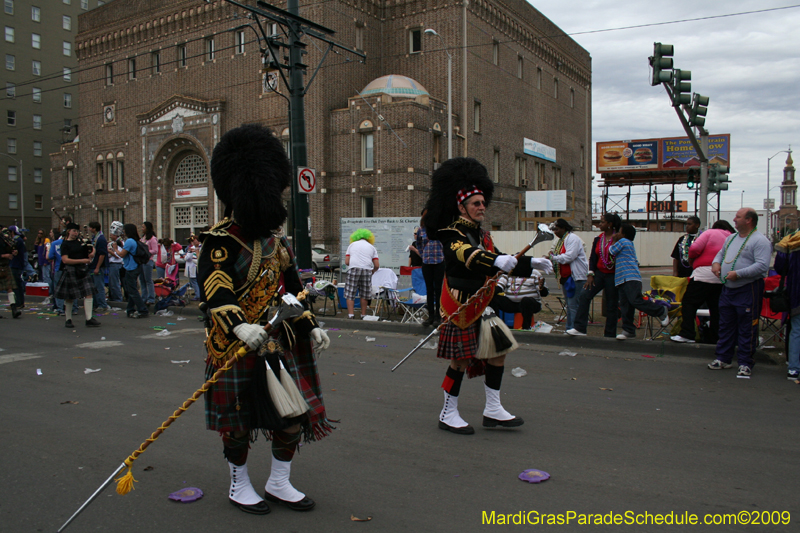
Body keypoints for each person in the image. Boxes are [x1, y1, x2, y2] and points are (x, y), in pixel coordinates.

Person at [199, 124, 331, 515]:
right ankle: (239, 484)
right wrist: (239, 325)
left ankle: (279, 481)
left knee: (292, 417)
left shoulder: (279, 244)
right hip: (233, 346)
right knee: (237, 424)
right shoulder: (220, 242)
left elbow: (291, 292)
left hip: (274, 344)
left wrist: (311, 324)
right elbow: (216, 290)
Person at [423, 157, 553, 435]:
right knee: (460, 360)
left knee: (498, 352)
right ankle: (448, 412)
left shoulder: (484, 236)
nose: (482, 207)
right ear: (462, 207)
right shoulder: (451, 232)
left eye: (483, 203)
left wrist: (532, 264)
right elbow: (465, 255)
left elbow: (502, 258)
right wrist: (494, 261)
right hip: (461, 303)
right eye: (476, 204)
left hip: (484, 301)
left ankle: (493, 409)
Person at [708, 208, 772, 378]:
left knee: (747, 327)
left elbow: (762, 266)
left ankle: (745, 362)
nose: (734, 220)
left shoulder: (760, 241)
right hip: (728, 289)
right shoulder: (731, 238)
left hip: (747, 289)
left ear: (749, 220)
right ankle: (723, 358)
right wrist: (716, 264)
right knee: (725, 325)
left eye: (738, 217)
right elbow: (720, 255)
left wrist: (739, 274)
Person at [670, 220, 734, 344]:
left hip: (703, 274)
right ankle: (716, 336)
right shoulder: (731, 237)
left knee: (689, 303)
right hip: (721, 276)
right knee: (716, 308)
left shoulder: (709, 233)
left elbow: (694, 248)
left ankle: (687, 334)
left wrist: (691, 260)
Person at [610, 223, 670, 340]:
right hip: (622, 278)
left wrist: (613, 240)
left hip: (630, 277)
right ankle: (628, 330)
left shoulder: (623, 242)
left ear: (624, 235)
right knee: (626, 305)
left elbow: (611, 251)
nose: (617, 234)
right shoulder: (628, 244)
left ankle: (660, 310)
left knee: (635, 300)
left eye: (619, 232)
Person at [567, 213, 622, 338]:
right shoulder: (598, 239)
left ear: (610, 224)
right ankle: (580, 328)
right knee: (584, 295)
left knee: (611, 305)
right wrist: (590, 273)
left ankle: (610, 334)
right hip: (598, 274)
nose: (599, 224)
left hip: (613, 275)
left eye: (602, 222)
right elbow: (592, 258)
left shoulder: (618, 239)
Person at [54, 223, 101, 328]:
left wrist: (92, 252)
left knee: (89, 293)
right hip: (70, 270)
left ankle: (89, 319)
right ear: (68, 231)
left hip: (82, 270)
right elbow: (65, 260)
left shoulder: (80, 242)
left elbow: (90, 251)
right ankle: (68, 319)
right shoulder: (65, 244)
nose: (76, 233)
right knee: (70, 297)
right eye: (73, 231)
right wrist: (82, 260)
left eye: (77, 231)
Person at [548, 218, 589, 332]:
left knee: (573, 305)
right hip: (565, 277)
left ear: (563, 228)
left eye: (556, 229)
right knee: (570, 305)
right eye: (553, 230)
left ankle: (576, 328)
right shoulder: (561, 240)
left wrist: (554, 258)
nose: (555, 232)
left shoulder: (573, 239)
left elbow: (569, 257)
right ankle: (570, 327)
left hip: (575, 277)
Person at [774, 230, 800, 380]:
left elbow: (779, 267)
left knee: (796, 330)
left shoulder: (790, 240)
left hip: (796, 292)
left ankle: (794, 368)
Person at [112, 224, 150, 318]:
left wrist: (115, 248)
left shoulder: (129, 241)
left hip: (131, 267)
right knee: (131, 289)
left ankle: (142, 309)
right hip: (136, 266)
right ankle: (130, 309)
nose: (123, 232)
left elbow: (122, 254)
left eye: (124, 230)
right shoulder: (135, 240)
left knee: (132, 290)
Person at [416, 210, 445, 327]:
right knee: (429, 289)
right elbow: (418, 244)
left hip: (439, 261)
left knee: (438, 289)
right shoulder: (421, 230)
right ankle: (430, 317)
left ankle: (439, 316)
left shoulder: (441, 229)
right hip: (427, 262)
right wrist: (423, 255)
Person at [344, 229, 379, 319]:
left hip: (353, 269)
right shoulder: (372, 247)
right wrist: (373, 271)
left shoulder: (351, 245)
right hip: (367, 270)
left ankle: (351, 314)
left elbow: (347, 262)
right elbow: (376, 265)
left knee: (350, 292)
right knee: (365, 293)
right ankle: (363, 314)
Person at [87, 222, 110, 312]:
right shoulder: (94, 238)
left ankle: (102, 304)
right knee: (93, 286)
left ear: (94, 228)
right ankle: (96, 303)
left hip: (98, 266)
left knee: (99, 286)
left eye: (90, 228)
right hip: (93, 264)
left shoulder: (101, 239)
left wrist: (97, 267)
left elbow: (102, 254)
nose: (89, 229)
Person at [0, 225, 21, 318]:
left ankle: (14, 309)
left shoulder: (3, 239)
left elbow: (10, 247)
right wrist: (4, 256)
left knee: (9, 288)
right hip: (2, 263)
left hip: (5, 265)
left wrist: (13, 252)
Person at [139, 221, 158, 305]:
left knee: (148, 280)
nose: (142, 229)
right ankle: (144, 297)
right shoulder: (143, 237)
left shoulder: (152, 239)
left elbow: (155, 250)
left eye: (143, 227)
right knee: (142, 280)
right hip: (141, 261)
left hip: (148, 261)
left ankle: (151, 298)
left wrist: (146, 251)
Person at [8, 225, 26, 309]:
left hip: (16, 264)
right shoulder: (19, 239)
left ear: (12, 232)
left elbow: (14, 251)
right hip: (17, 264)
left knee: (16, 285)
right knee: (17, 285)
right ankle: (18, 302)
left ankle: (18, 303)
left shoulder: (16, 240)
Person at [106, 221, 125, 302]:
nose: (110, 236)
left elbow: (119, 255)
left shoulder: (119, 243)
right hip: (112, 264)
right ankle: (113, 297)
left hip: (116, 264)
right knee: (111, 283)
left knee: (115, 283)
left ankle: (118, 299)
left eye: (111, 235)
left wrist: (110, 251)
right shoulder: (112, 243)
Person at [183, 235, 200, 301]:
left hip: (192, 267)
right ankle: (198, 294)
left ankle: (197, 295)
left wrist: (185, 255)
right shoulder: (199, 247)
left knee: (194, 282)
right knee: (197, 282)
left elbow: (187, 258)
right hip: (196, 267)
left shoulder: (192, 248)